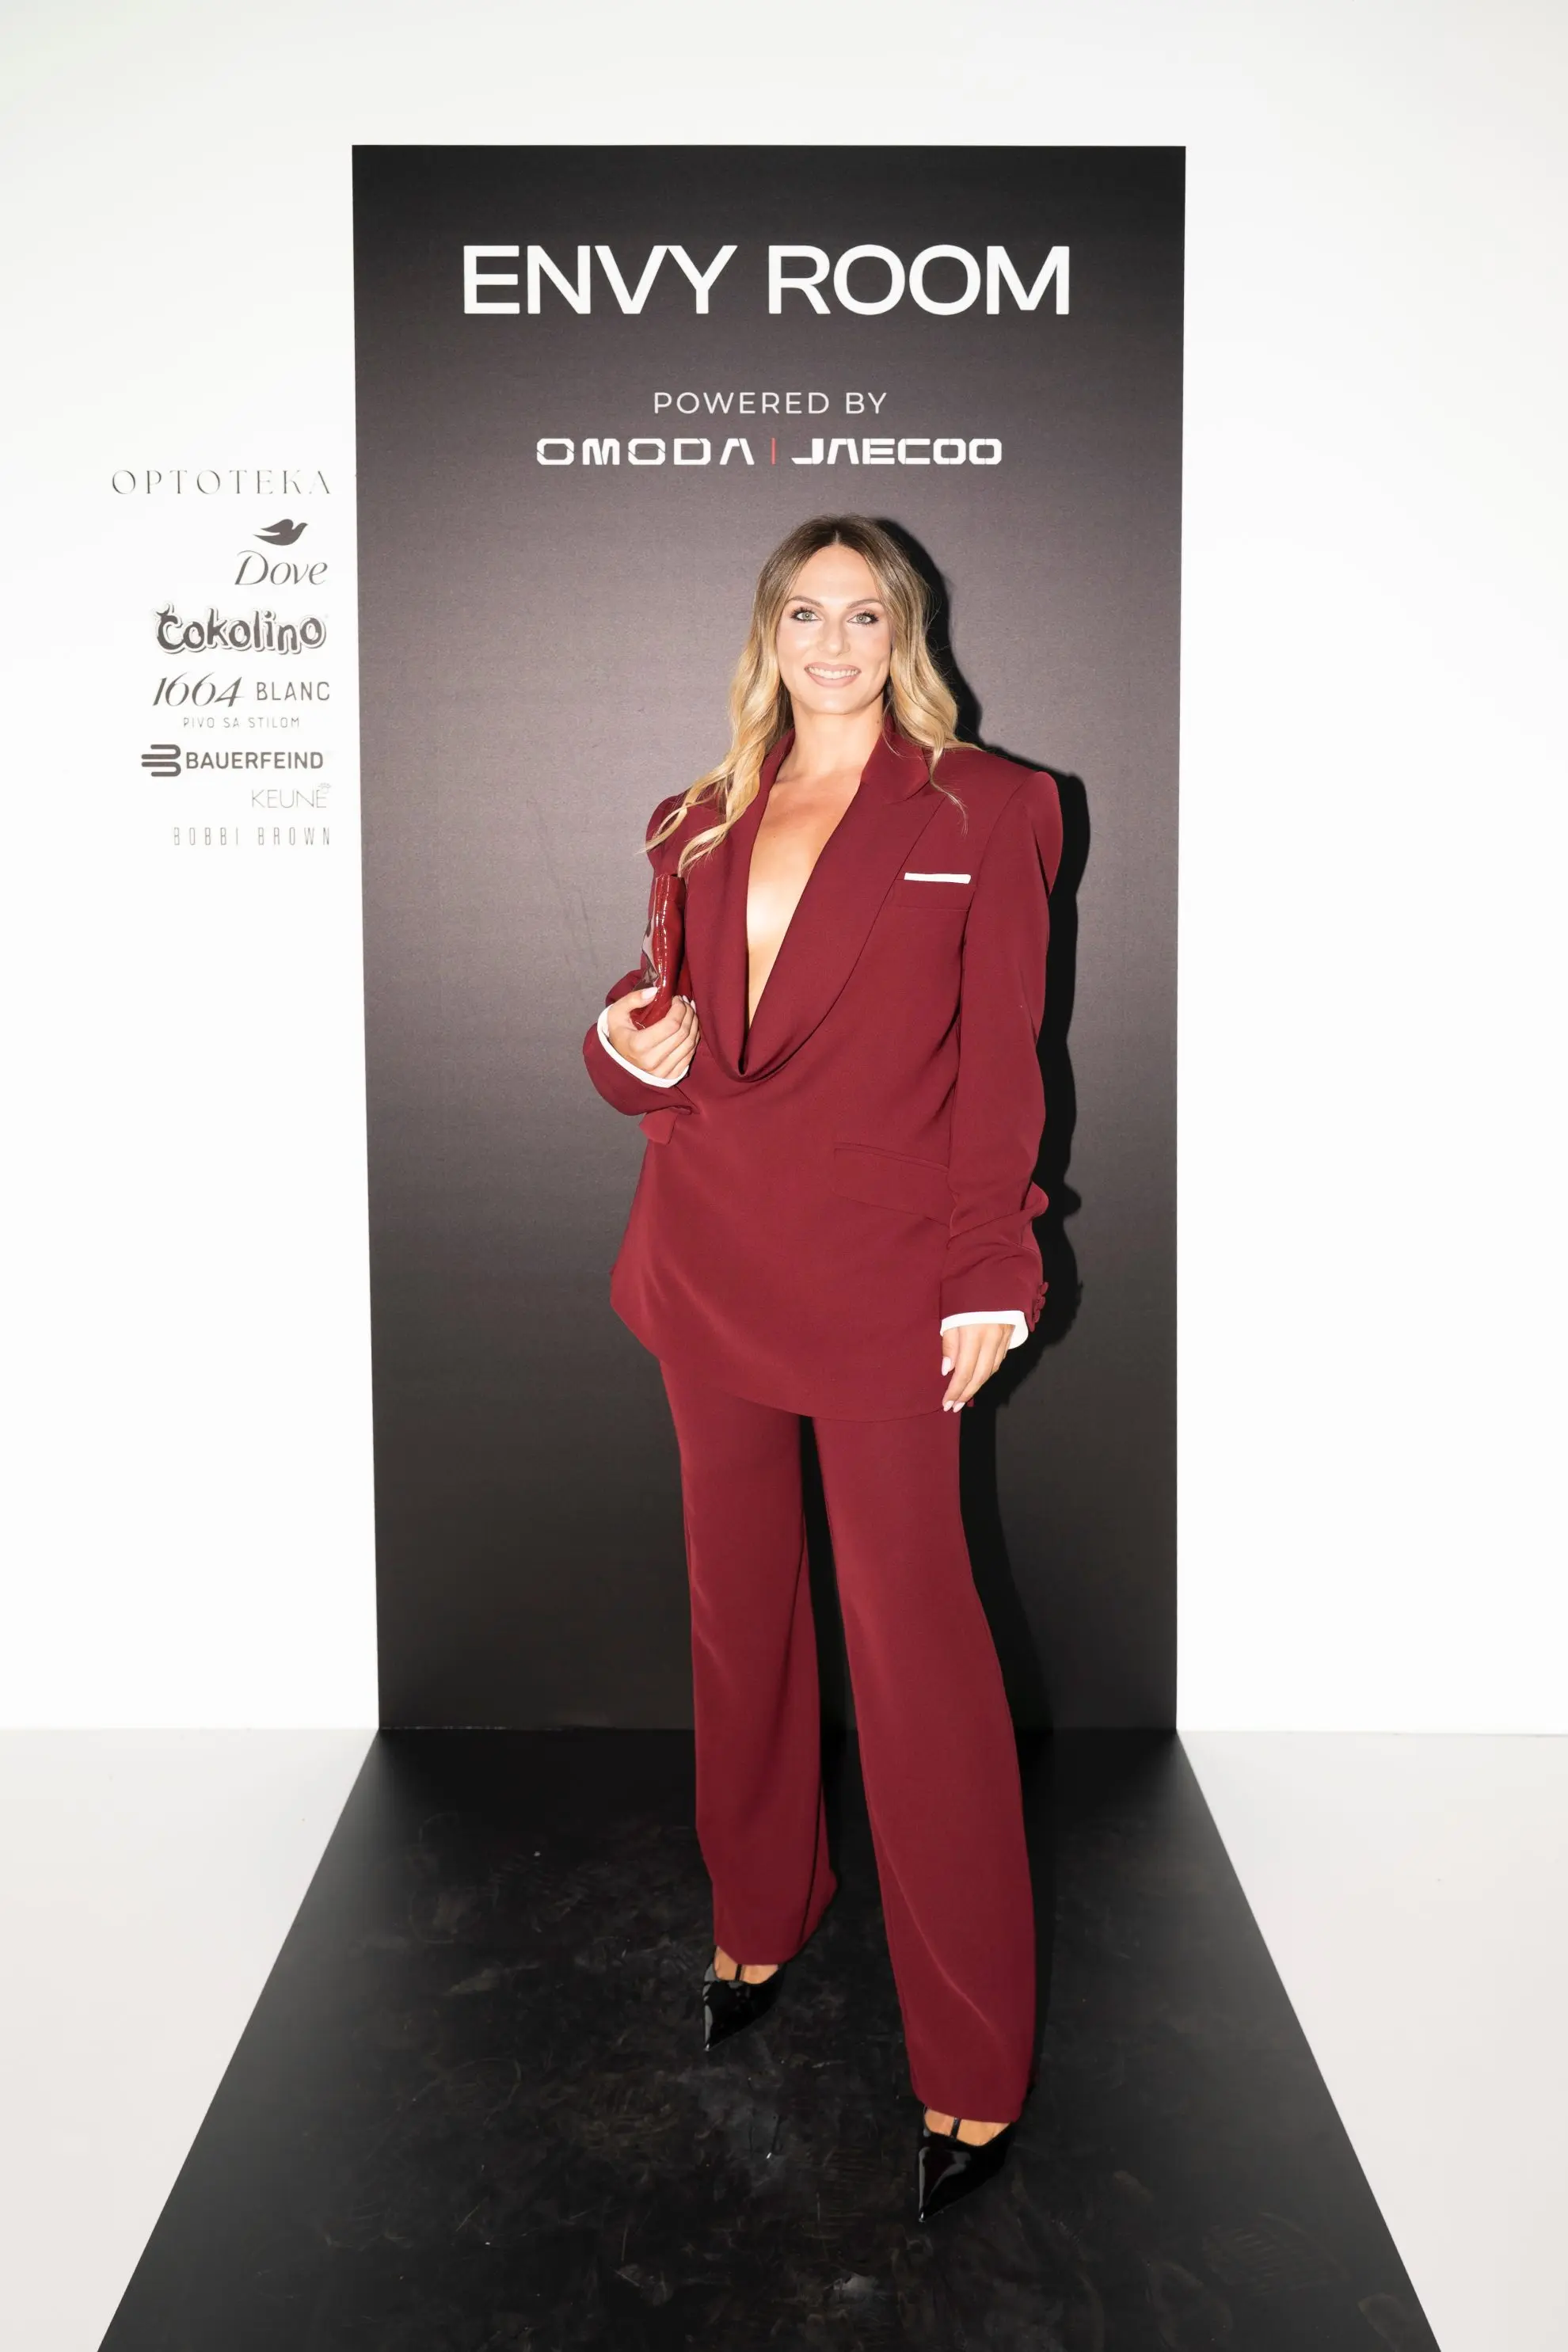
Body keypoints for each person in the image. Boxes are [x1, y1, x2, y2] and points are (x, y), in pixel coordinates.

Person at [582, 514, 1062, 2221]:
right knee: (739, 1607)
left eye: (867, 614)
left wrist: (992, 1265)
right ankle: (759, 1908)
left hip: (881, 1287)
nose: (835, 642)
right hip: (706, 1256)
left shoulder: (990, 808)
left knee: (917, 1651)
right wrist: (625, 1043)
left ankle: (976, 2055)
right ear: (769, 632)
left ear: (905, 633)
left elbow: (1005, 1065)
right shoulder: (693, 814)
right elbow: (662, 1019)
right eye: (807, 612)